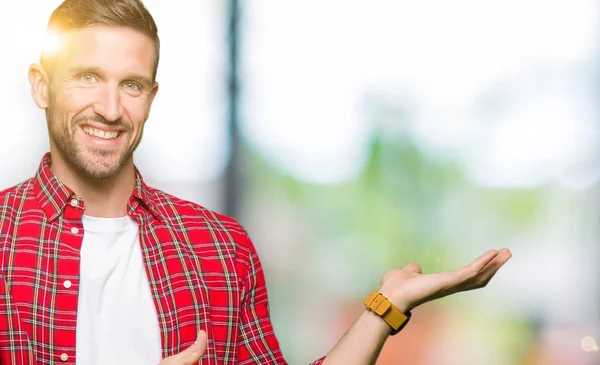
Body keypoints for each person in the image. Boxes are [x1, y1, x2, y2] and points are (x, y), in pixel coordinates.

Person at [0, 0, 512, 364]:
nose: (109, 109)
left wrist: (387, 308)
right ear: (42, 87)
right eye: (86, 77)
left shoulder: (221, 248)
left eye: (130, 85)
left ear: (151, 97)